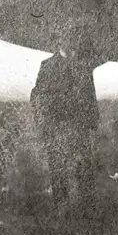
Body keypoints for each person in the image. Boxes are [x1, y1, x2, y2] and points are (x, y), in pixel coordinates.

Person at [30, 45, 103, 206]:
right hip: (56, 126)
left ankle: (88, 207)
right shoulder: (47, 65)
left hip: (79, 126)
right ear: (59, 41)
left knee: (84, 167)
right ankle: (62, 208)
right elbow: (36, 94)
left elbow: (90, 94)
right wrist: (41, 121)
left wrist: (93, 122)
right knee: (58, 168)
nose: (70, 42)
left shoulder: (83, 64)